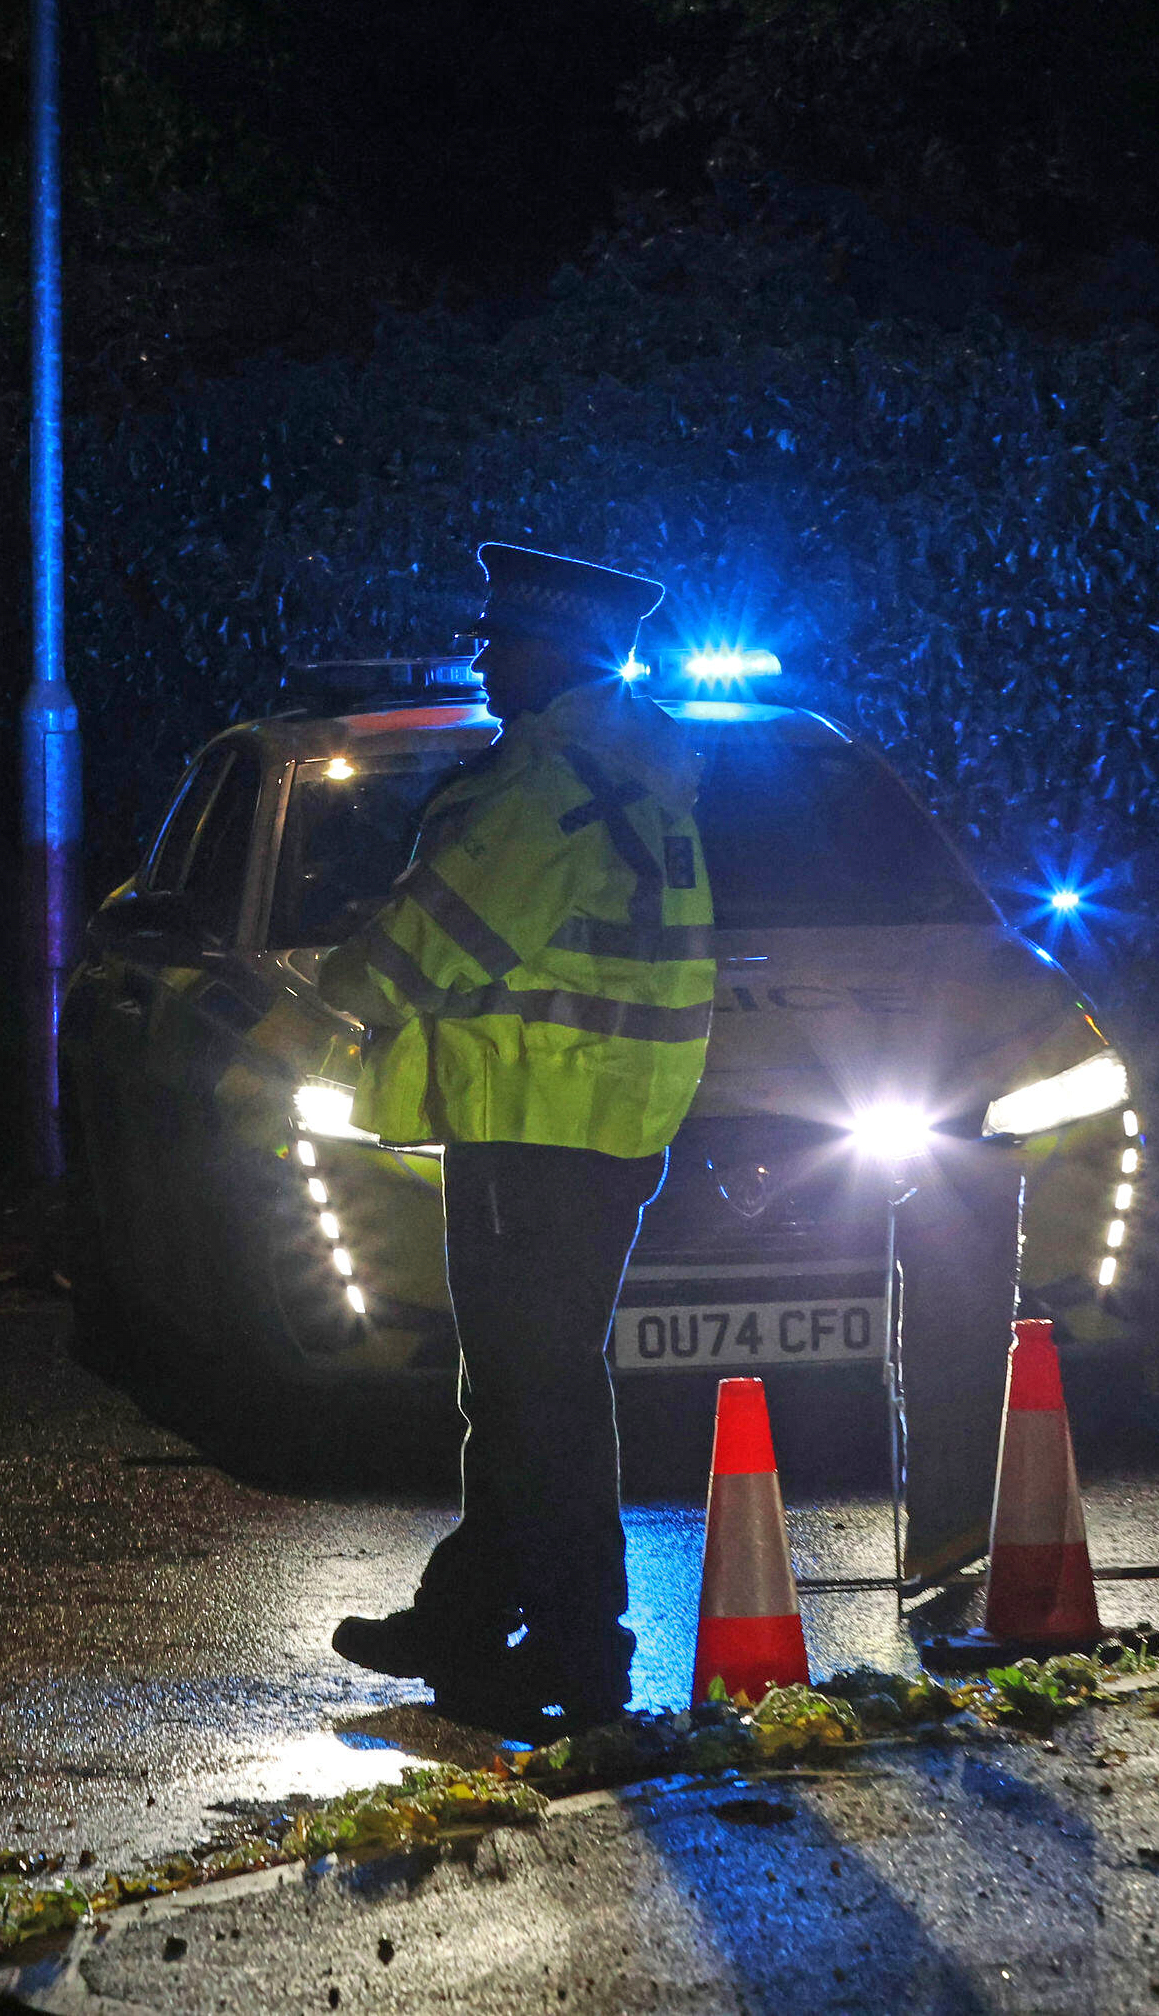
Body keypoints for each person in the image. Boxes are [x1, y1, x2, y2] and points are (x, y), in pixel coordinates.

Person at [314, 543, 718, 1734]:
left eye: (504, 637)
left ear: (554, 653)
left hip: (526, 1123)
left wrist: (340, 968)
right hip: (593, 1126)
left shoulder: (542, 787)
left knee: (532, 1397)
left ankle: (578, 1653)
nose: (486, 656)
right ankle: (469, 1617)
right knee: (533, 1390)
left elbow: (409, 958)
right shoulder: (638, 773)